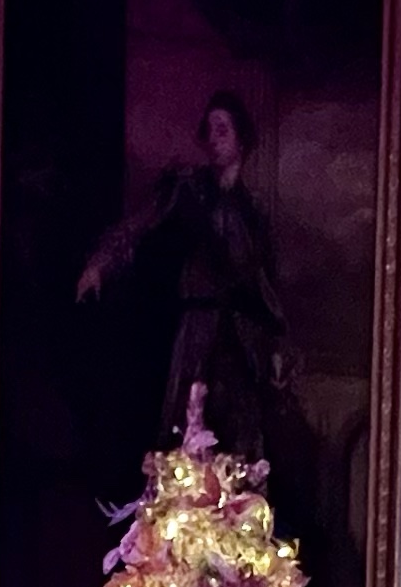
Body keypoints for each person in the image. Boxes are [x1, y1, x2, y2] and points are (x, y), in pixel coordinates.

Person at [74, 88, 297, 462]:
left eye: (222, 130)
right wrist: (100, 264)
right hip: (198, 332)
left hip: (240, 340)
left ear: (242, 140)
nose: (213, 140)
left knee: (240, 443)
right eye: (209, 131)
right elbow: (138, 224)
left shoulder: (253, 214)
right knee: (187, 432)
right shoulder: (189, 189)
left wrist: (276, 346)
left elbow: (266, 288)